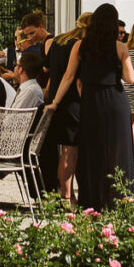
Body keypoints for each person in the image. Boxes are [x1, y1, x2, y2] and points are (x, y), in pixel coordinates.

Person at [49, 2, 134, 210]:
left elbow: (68, 77)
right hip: (115, 101)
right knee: (117, 150)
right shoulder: (120, 47)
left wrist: (54, 102)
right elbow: (130, 78)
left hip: (91, 101)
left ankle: (92, 199)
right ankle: (118, 198)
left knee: (92, 150)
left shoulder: (80, 45)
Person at [41, 14, 88, 200]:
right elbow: (76, 78)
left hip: (55, 97)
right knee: (71, 151)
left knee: (66, 151)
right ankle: (67, 196)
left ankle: (67, 194)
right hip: (71, 101)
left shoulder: (59, 40)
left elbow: (47, 69)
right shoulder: (80, 44)